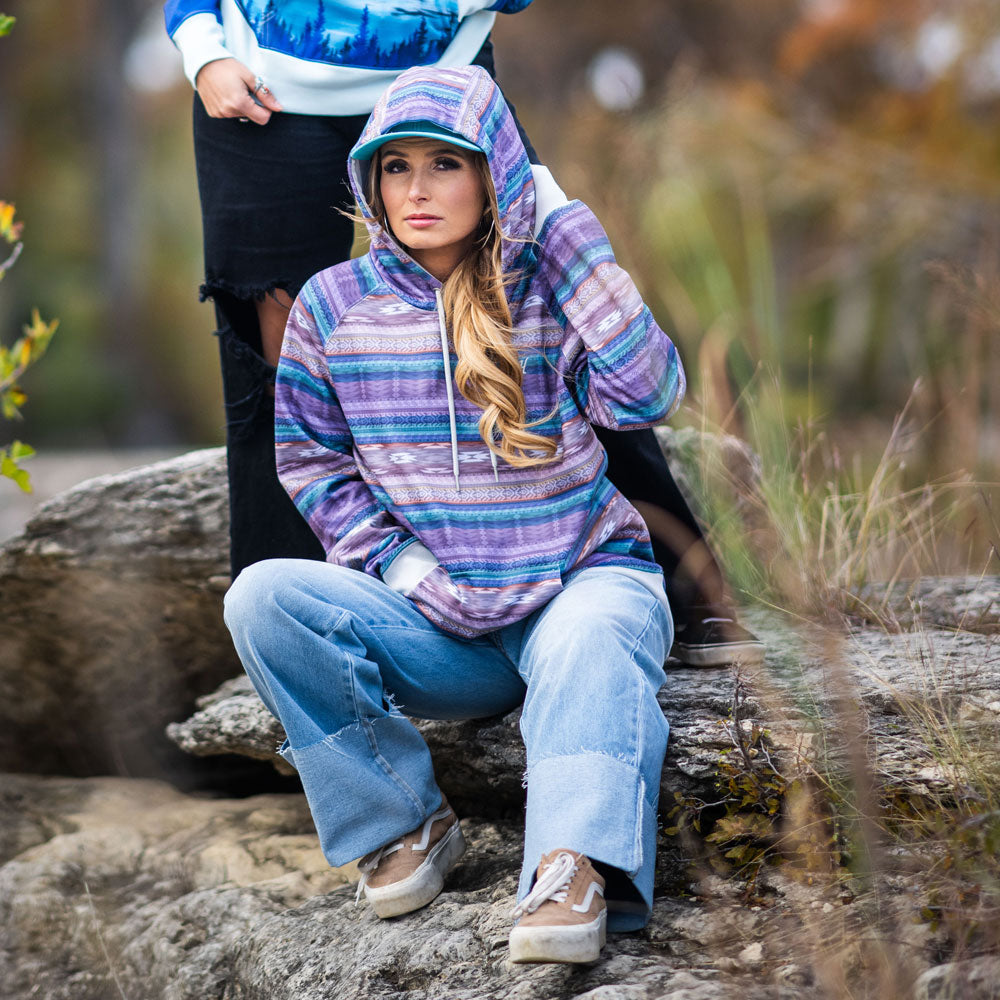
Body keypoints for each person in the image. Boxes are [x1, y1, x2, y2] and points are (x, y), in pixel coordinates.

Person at [224, 63, 685, 963]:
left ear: (494, 175)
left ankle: (570, 868)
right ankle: (404, 823)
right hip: (445, 630)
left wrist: (561, 225)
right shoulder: (332, 305)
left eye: (446, 164)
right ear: (369, 180)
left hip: (576, 593)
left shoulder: (543, 285)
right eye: (396, 168)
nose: (418, 189)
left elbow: (650, 389)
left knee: (595, 636)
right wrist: (404, 570)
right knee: (263, 598)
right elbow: (312, 462)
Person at [164, 0, 764, 668]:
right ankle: (294, 640)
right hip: (259, 84)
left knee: (546, 307)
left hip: (445, 75)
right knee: (272, 361)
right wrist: (202, 45)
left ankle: (686, 587)